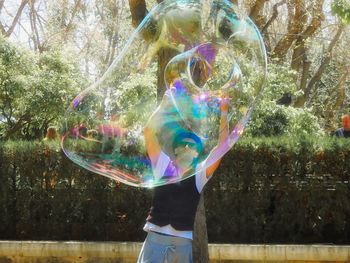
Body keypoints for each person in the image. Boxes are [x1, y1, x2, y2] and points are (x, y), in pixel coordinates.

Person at [137, 90, 229, 263]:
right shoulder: (163, 165)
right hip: (154, 240)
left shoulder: (199, 174)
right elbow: (149, 131)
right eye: (183, 144)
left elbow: (223, 146)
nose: (188, 147)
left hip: (181, 245)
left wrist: (224, 111)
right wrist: (165, 104)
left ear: (196, 154)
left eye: (192, 146)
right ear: (176, 150)